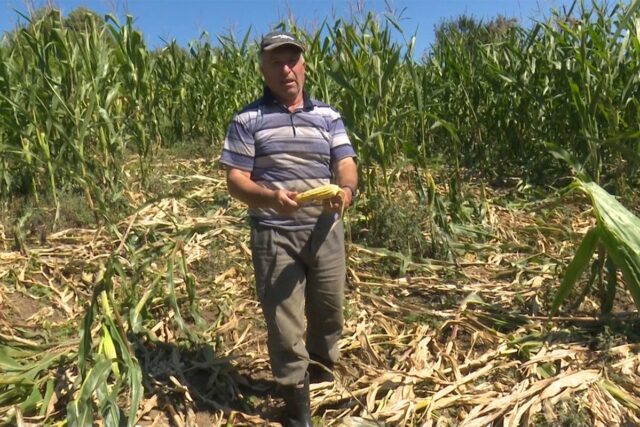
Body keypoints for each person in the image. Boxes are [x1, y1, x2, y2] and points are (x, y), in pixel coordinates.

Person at [220, 30, 358, 427]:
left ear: (304, 65)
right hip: (274, 232)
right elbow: (236, 180)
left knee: (329, 313)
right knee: (284, 325)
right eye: (276, 62)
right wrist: (269, 197)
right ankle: (297, 410)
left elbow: (345, 164)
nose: (286, 69)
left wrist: (345, 191)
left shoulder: (328, 117)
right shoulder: (247, 120)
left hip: (325, 229)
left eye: (292, 60)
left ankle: (322, 381)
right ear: (263, 70)